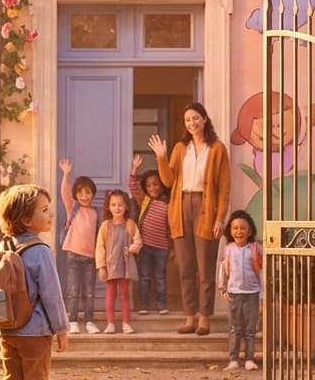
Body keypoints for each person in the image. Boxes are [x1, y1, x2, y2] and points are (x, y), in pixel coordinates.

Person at [0, 183, 70, 380]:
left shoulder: (3, 246)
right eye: (45, 210)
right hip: (35, 332)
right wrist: (61, 329)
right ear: (27, 219)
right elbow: (52, 295)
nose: (51, 215)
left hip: (7, 329)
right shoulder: (40, 250)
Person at [149, 102, 231, 336]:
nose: (191, 123)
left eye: (195, 118)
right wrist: (161, 158)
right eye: (187, 120)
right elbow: (168, 181)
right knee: (185, 267)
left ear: (204, 119)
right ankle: (190, 317)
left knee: (205, 269)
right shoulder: (180, 148)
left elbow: (224, 187)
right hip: (181, 206)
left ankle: (204, 317)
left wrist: (220, 218)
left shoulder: (217, 149)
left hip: (207, 209)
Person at [216, 210, 263, 371]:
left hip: (252, 294)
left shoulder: (255, 248)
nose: (239, 231)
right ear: (230, 231)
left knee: (250, 329)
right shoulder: (228, 249)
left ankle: (250, 359)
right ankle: (233, 360)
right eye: (235, 228)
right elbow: (222, 269)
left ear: (249, 231)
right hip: (234, 294)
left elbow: (261, 273)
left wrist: (262, 297)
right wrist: (222, 287)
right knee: (235, 329)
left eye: (243, 228)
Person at [59, 158, 100, 334]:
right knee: (73, 291)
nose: (84, 196)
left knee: (89, 292)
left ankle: (90, 321)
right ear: (76, 195)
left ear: (93, 194)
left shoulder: (96, 212)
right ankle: (73, 320)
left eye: (88, 192)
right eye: (80, 193)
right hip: (73, 256)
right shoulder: (73, 208)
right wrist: (66, 175)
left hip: (90, 258)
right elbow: (64, 193)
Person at [129, 154, 171, 315]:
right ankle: (144, 305)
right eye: (149, 186)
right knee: (145, 276)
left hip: (162, 248)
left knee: (160, 277)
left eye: (155, 184)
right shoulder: (144, 200)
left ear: (161, 184)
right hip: (145, 246)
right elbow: (133, 187)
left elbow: (171, 226)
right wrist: (134, 169)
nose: (153, 188)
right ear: (145, 188)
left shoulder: (167, 203)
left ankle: (161, 305)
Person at [96, 189, 142, 334]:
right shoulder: (105, 226)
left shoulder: (130, 224)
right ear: (108, 207)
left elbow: (138, 242)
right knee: (110, 295)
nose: (117, 208)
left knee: (125, 295)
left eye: (120, 205)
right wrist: (101, 267)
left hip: (125, 266)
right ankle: (110, 323)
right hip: (110, 266)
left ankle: (126, 323)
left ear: (126, 206)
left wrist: (131, 249)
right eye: (114, 205)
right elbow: (100, 247)